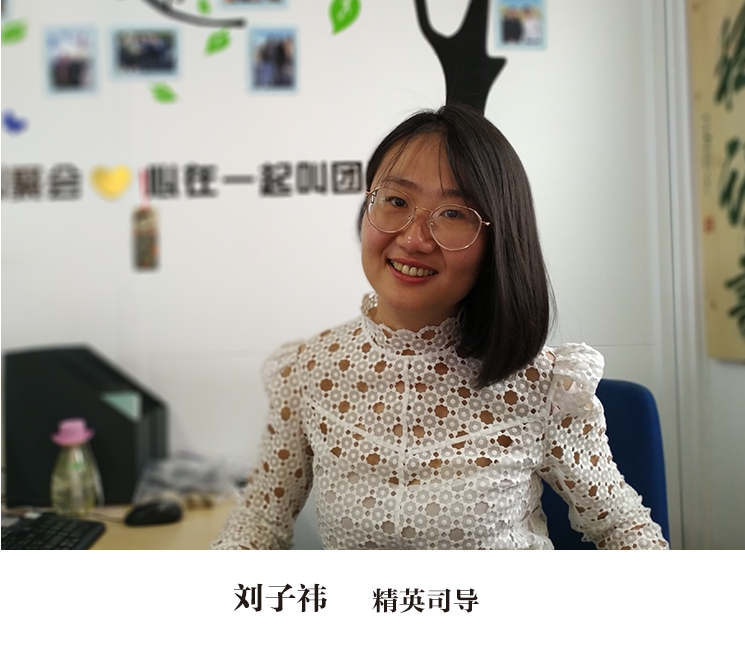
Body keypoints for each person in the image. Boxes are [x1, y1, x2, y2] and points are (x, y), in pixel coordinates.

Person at [211, 104, 669, 550]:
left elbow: (625, 528)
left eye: (453, 214)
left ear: (497, 240)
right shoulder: (307, 371)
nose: (413, 239)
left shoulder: (544, 384)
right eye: (396, 201)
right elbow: (259, 522)